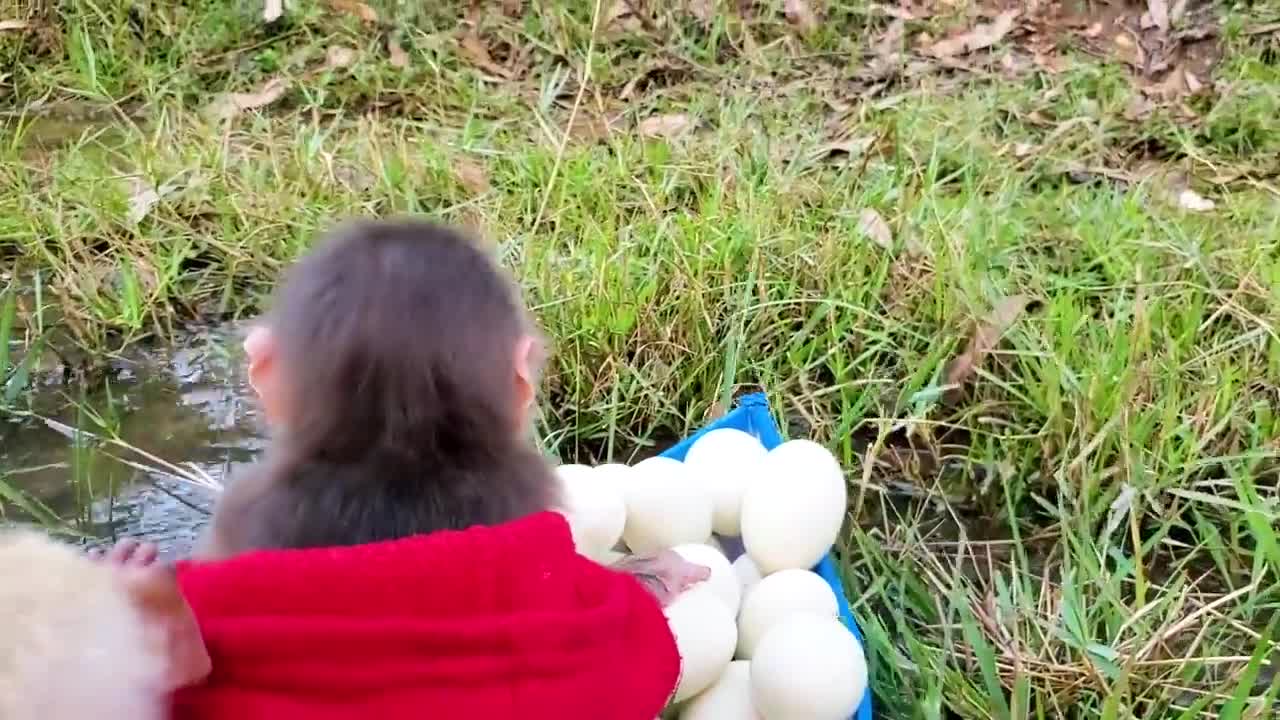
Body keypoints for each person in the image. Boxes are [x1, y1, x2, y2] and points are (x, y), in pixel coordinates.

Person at [100, 219, 700, 720]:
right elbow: (648, 667)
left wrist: (132, 664)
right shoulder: (595, 633)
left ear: (265, 369)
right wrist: (633, 591)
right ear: (522, 380)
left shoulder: (192, 632)